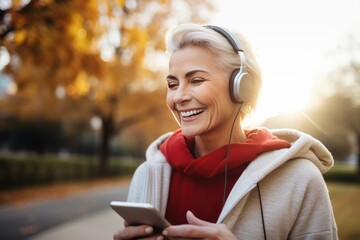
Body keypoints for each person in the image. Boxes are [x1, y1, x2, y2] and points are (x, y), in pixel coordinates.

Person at [113, 23, 338, 240]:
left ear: (241, 87)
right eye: (172, 84)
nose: (179, 96)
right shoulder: (147, 174)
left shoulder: (301, 180)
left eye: (196, 80)